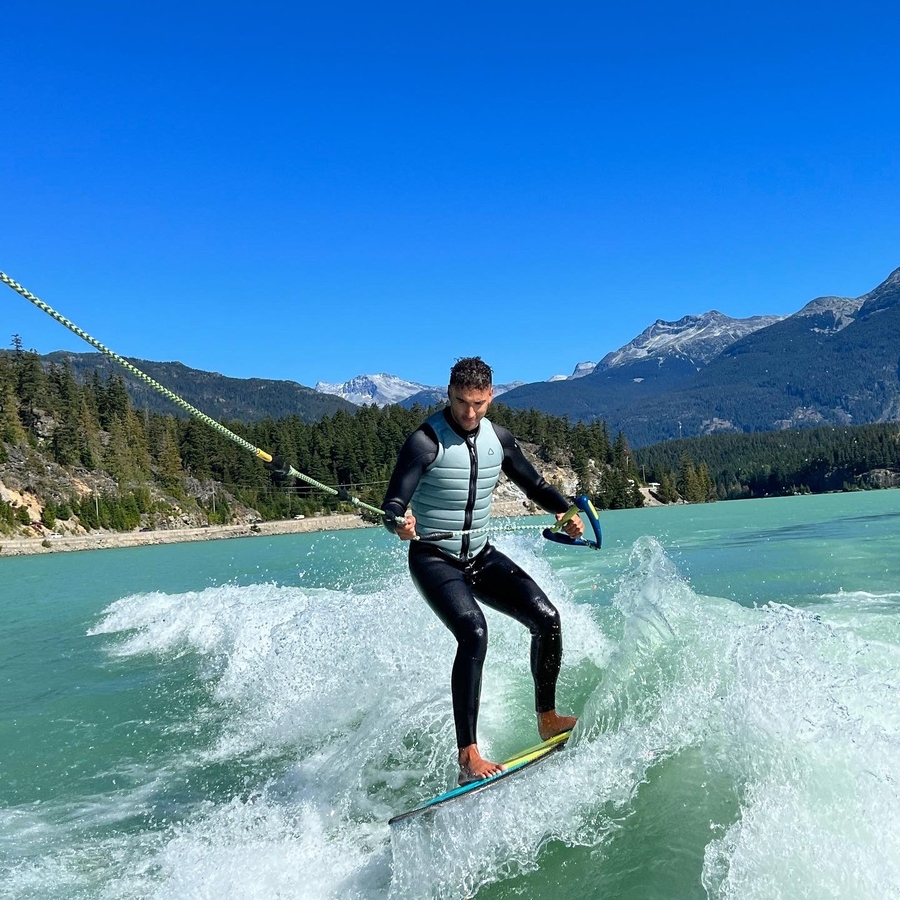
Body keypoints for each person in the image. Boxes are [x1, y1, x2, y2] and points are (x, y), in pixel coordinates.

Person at [382, 356, 583, 784]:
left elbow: (535, 485)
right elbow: (393, 502)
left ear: (491, 396)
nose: (468, 413)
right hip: (434, 558)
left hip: (480, 556)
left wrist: (566, 511)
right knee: (473, 631)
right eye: (459, 402)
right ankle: (468, 756)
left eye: (477, 403)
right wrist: (400, 521)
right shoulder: (425, 441)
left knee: (547, 619)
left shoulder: (500, 440)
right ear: (448, 394)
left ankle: (546, 718)